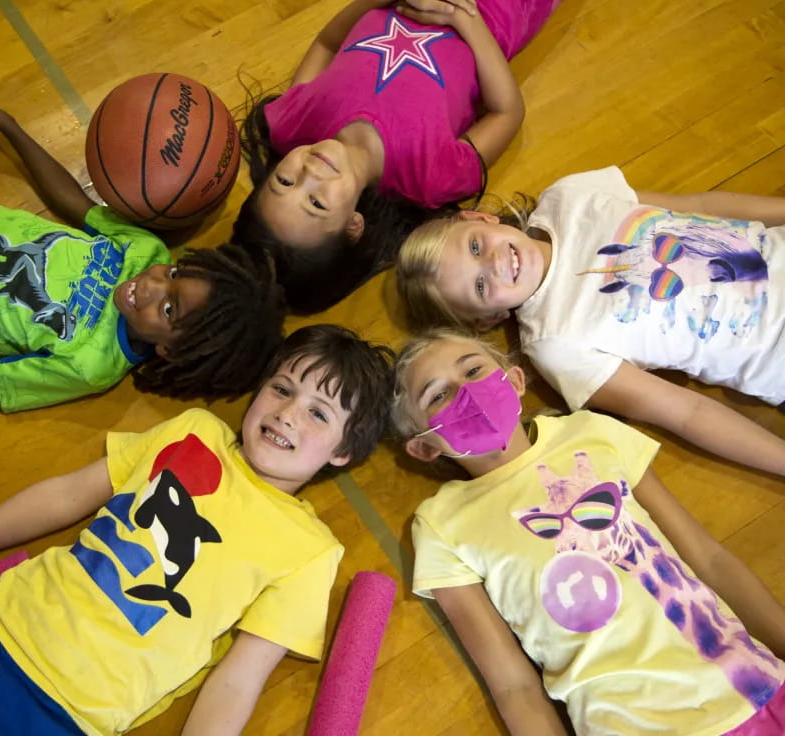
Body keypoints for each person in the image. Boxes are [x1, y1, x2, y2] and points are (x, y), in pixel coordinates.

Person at [0, 324, 395, 735]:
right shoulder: (194, 430)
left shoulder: (309, 549)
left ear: (343, 453)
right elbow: (66, 495)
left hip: (67, 716)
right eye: (281, 388)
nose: (288, 414)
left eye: (319, 414)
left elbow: (238, 678)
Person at [391, 328, 785, 735]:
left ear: (517, 378)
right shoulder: (442, 523)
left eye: (473, 369)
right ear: (424, 447)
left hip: (758, 688)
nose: (466, 393)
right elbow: (513, 686)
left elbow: (708, 559)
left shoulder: (591, 432)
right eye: (437, 395)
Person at [0, 105, 286, 411]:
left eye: (169, 308)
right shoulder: (144, 251)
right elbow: (74, 204)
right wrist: (10, 127)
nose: (152, 286)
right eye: (173, 274)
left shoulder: (89, 366)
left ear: (172, 351)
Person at [395, 167, 785, 476]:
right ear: (487, 319)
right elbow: (686, 412)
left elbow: (699, 206)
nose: (494, 264)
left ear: (480, 218)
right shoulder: (554, 343)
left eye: (475, 246)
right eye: (480, 286)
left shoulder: (569, 196)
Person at [233, 0, 559, 312]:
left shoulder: (292, 123)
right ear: (353, 226)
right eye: (317, 202)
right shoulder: (429, 178)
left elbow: (327, 43)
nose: (310, 175)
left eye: (285, 180)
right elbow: (507, 113)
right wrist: (463, 16)